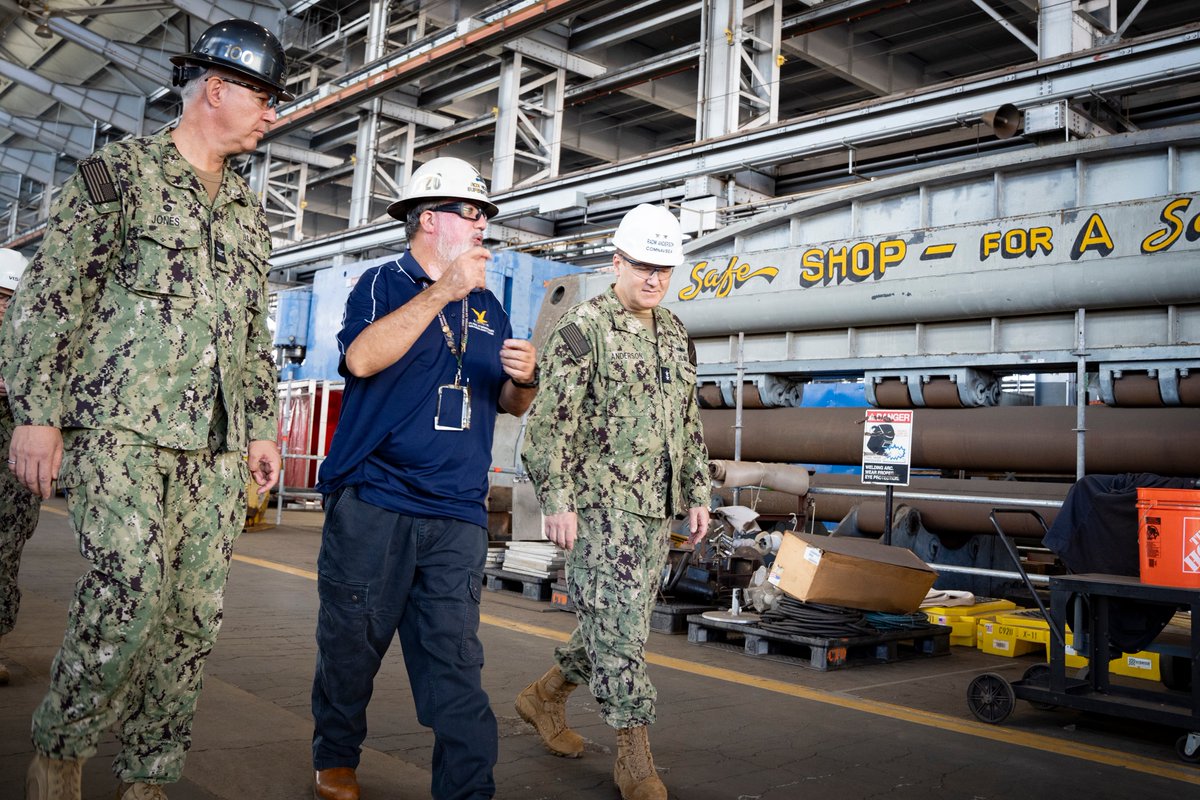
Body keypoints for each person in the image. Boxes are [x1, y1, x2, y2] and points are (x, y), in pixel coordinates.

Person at [0, 19, 286, 800]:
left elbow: (252, 333)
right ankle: (61, 747)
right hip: (121, 432)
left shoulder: (248, 216)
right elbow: (51, 299)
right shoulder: (115, 176)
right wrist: (37, 412)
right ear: (216, 91)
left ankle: (150, 775)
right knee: (128, 595)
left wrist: (261, 426)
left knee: (191, 619)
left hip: (217, 449)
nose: (273, 114)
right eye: (263, 97)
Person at [309, 156, 538, 800]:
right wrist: (443, 292)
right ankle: (335, 753)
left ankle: (468, 792)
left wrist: (526, 379)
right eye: (473, 213)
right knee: (351, 642)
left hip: (457, 511)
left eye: (487, 214)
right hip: (375, 500)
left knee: (456, 661)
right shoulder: (382, 285)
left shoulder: (492, 308)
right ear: (429, 218)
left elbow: (510, 405)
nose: (484, 226)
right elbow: (361, 358)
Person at [517, 204, 711, 800]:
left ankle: (544, 696)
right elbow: (549, 427)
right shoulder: (585, 330)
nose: (654, 279)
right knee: (623, 635)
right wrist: (558, 500)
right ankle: (634, 754)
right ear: (616, 262)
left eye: (665, 269)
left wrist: (699, 492)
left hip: (655, 509)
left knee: (614, 623)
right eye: (644, 266)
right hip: (600, 509)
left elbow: (688, 420)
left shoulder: (675, 332)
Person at [0, 250, 42, 687]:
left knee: (5, 557)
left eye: (13, 297)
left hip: (13, 477)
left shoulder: (37, 339)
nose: (5, 306)